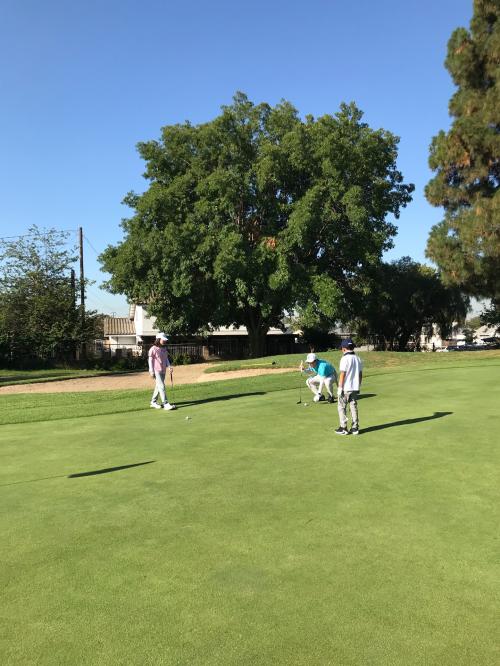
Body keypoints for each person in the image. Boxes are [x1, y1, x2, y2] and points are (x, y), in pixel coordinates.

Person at [335, 339, 363, 436]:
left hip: (346, 388)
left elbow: (342, 374)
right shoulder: (358, 358)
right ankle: (355, 428)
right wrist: (358, 386)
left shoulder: (344, 359)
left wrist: (340, 388)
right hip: (355, 388)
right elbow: (360, 374)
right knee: (353, 406)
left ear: (344, 349)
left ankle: (343, 428)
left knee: (341, 407)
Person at [148, 333, 176, 410]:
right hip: (156, 370)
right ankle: (165, 403)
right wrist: (151, 371)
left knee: (158, 386)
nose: (164, 341)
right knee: (162, 386)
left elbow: (166, 359)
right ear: (158, 339)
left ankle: (153, 402)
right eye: (163, 340)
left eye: (165, 340)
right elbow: (150, 361)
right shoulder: (153, 349)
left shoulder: (164, 349)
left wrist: (169, 366)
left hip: (163, 370)